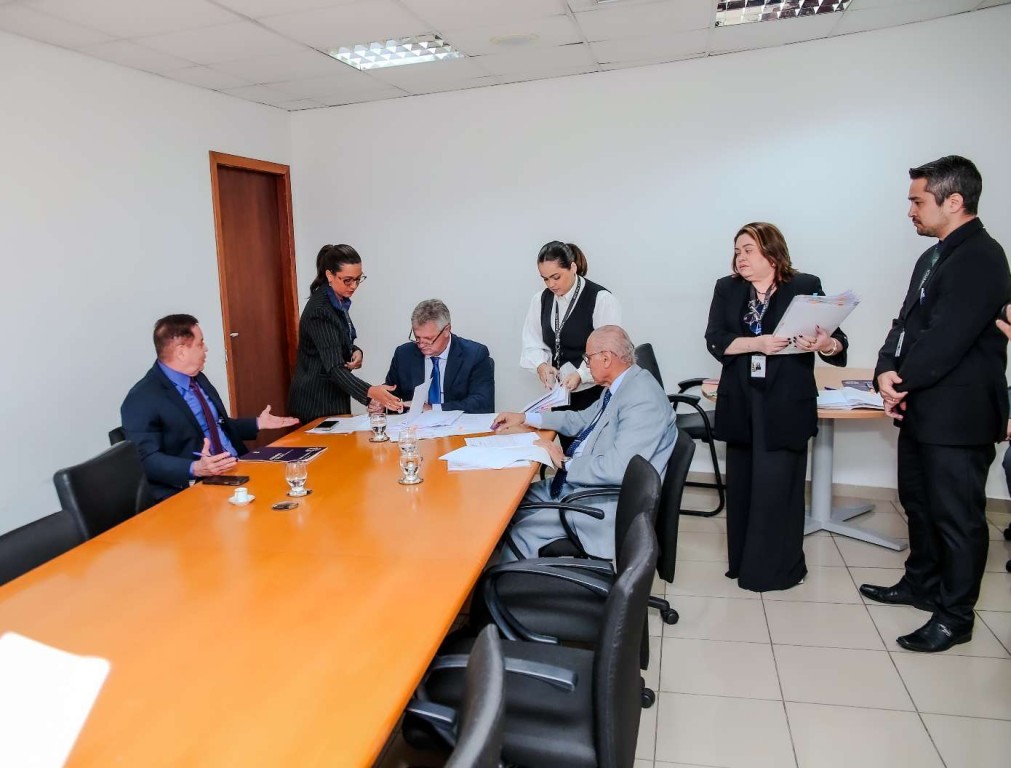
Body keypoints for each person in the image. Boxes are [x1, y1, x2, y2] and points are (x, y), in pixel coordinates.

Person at [862, 155, 1010, 652]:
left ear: (954, 200)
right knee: (920, 505)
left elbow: (947, 340)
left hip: (959, 415)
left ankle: (955, 616)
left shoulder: (982, 257)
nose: (910, 211)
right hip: (922, 405)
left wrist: (899, 382)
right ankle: (921, 583)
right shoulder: (932, 256)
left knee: (957, 518)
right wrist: (884, 370)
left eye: (917, 201)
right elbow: (904, 324)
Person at [705, 222, 848, 593]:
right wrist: (758, 344)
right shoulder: (727, 288)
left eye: (748, 250)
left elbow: (837, 343)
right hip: (741, 399)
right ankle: (742, 564)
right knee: (743, 487)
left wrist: (825, 344)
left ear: (771, 253)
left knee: (777, 488)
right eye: (737, 251)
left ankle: (776, 570)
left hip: (786, 402)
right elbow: (715, 339)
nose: (740, 258)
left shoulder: (804, 286)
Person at [492, 326, 677, 561]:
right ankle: (514, 569)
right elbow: (580, 420)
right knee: (510, 501)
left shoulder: (642, 399)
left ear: (606, 358)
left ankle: (505, 581)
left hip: (602, 504)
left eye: (588, 359)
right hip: (582, 483)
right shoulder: (621, 385)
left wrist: (564, 463)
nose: (586, 366)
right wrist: (526, 418)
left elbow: (619, 469)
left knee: (522, 531)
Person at [121, 314, 299, 501]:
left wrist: (257, 423)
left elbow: (216, 425)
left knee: (297, 482)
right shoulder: (142, 398)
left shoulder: (197, 378)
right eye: (200, 344)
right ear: (181, 352)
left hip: (238, 467)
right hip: (196, 489)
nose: (206, 348)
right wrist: (196, 468)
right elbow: (145, 459)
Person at [287, 244, 402, 422]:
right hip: (316, 402)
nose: (354, 286)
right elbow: (334, 367)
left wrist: (355, 351)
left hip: (332, 396)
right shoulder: (321, 310)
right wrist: (371, 392)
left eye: (358, 279)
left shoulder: (337, 301)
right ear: (329, 275)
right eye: (347, 280)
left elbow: (334, 340)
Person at [520, 242, 621, 426]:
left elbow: (609, 351)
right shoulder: (540, 300)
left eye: (556, 277)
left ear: (573, 267)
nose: (551, 284)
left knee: (592, 441)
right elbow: (532, 341)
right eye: (545, 279)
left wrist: (581, 374)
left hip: (595, 393)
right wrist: (541, 365)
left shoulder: (601, 299)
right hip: (560, 395)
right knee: (564, 441)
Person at [373, 299, 494, 414]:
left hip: (458, 426)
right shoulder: (403, 354)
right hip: (414, 427)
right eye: (417, 338)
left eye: (428, 339)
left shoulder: (475, 355)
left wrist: (433, 409)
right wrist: (381, 402)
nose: (421, 345)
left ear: (446, 330)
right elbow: (392, 393)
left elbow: (482, 403)